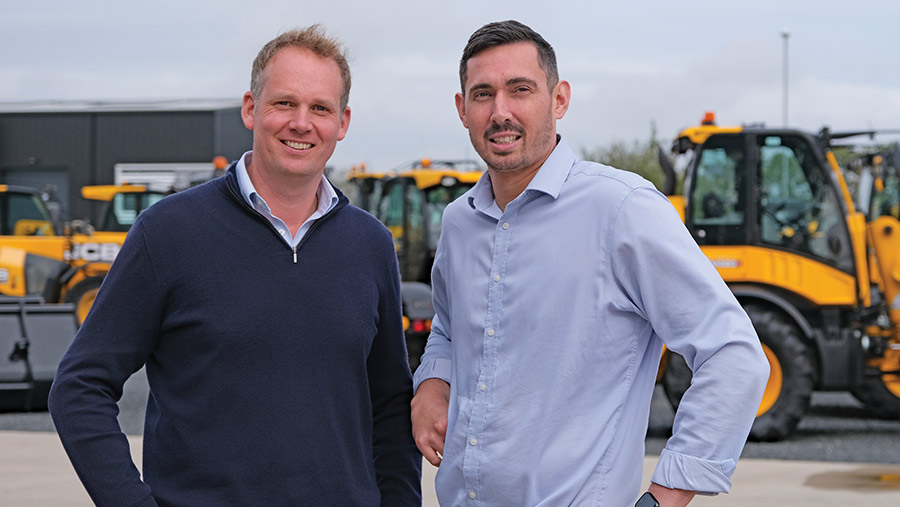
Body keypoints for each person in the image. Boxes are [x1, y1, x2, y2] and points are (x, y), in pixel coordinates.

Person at [49, 25, 421, 507]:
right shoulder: (168, 232)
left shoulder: (370, 243)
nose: (302, 123)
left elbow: (390, 405)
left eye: (320, 108)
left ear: (343, 122)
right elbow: (80, 386)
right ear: (251, 108)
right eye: (284, 103)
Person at [410, 20, 769, 507]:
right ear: (462, 109)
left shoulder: (622, 211)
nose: (501, 112)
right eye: (482, 94)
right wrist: (433, 381)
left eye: (521, 90)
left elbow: (734, 354)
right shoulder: (459, 222)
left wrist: (663, 498)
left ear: (559, 100)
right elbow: (451, 329)